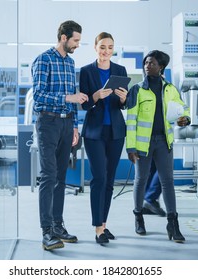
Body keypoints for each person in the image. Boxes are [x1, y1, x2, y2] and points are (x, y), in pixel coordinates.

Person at [31, 20, 88, 251]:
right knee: (48, 176)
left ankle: (57, 225)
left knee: (62, 177)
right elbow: (38, 96)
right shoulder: (43, 60)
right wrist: (67, 99)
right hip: (48, 123)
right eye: (75, 40)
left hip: (66, 125)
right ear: (64, 37)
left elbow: (73, 96)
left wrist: (74, 126)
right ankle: (46, 232)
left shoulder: (70, 63)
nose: (77, 45)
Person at [126, 50, 190, 243]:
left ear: (161, 67)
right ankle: (138, 217)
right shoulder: (136, 89)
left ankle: (173, 223)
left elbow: (183, 110)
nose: (147, 66)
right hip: (143, 144)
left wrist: (185, 119)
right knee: (140, 180)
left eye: (151, 63)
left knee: (167, 182)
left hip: (164, 142)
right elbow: (131, 120)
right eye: (146, 63)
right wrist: (130, 147)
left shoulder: (171, 89)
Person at [79, 32, 128, 244]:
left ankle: (104, 225)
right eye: (102, 47)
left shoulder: (120, 70)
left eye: (110, 47)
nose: (106, 51)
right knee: (98, 178)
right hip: (94, 132)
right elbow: (84, 104)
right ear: (95, 48)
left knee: (109, 180)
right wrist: (95, 97)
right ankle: (98, 228)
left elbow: (123, 105)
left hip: (115, 131)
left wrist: (125, 99)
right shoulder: (86, 71)